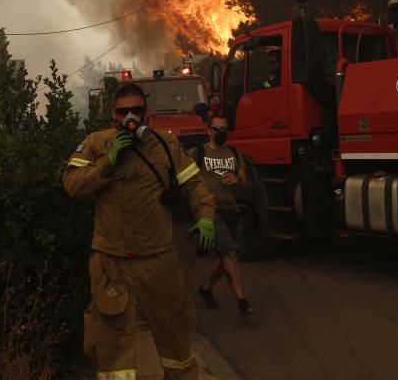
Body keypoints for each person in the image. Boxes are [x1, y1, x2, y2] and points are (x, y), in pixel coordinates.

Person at [63, 82, 216, 380]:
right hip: (112, 263)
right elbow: (72, 184)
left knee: (177, 344)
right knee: (113, 354)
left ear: (146, 112)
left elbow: (195, 185)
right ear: (113, 115)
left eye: (136, 110)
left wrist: (206, 216)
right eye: (124, 111)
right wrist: (108, 162)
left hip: (159, 261)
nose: (130, 116)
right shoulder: (96, 143)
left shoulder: (166, 145)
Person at [189, 114, 256, 317]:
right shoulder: (198, 152)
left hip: (231, 209)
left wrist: (236, 179)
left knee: (227, 256)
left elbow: (245, 183)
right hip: (208, 211)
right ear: (209, 130)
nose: (221, 133)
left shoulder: (235, 153)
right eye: (217, 129)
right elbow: (185, 179)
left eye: (225, 129)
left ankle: (206, 289)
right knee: (230, 254)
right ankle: (242, 301)